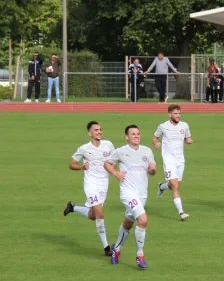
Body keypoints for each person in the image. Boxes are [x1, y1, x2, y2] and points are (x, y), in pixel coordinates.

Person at [104, 125, 156, 269]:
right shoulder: (120, 152)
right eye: (133, 134)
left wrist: (152, 170)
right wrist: (115, 173)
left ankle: (117, 248)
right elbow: (107, 164)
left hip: (142, 194)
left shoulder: (147, 151)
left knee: (128, 223)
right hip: (128, 193)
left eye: (138, 133)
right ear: (127, 137)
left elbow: (152, 171)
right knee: (143, 220)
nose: (136, 136)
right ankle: (140, 255)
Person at [63, 121, 115, 256]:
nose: (99, 132)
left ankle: (72, 207)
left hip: (103, 184)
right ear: (89, 133)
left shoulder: (108, 145)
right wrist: (82, 167)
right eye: (96, 130)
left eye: (100, 130)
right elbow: (71, 164)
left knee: (93, 215)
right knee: (100, 212)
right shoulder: (84, 148)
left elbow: (114, 160)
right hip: (91, 184)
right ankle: (106, 247)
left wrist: (114, 168)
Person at [153, 104, 193, 220]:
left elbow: (187, 138)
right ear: (169, 114)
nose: (178, 115)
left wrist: (189, 140)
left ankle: (161, 186)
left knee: (174, 185)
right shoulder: (163, 126)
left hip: (180, 160)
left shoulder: (184, 126)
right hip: (168, 159)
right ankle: (181, 213)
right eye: (176, 113)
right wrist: (156, 143)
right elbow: (155, 137)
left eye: (179, 113)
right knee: (175, 186)